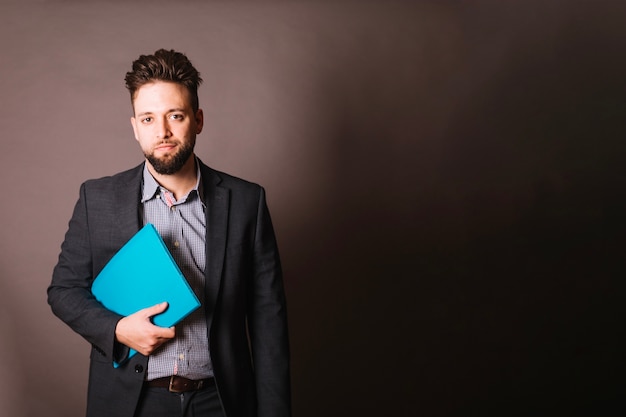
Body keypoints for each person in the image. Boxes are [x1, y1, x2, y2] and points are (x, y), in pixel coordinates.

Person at [47, 49, 291, 417]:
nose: (161, 132)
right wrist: (117, 330)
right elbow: (63, 291)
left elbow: (268, 321)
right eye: (148, 118)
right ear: (134, 127)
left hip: (220, 402)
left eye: (174, 116)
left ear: (198, 119)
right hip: (132, 403)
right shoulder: (96, 199)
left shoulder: (246, 202)